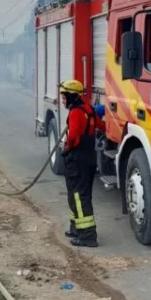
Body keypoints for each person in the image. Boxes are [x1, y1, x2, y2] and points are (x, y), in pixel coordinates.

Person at [58, 79, 101, 248]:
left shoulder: (76, 112)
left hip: (77, 159)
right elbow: (100, 125)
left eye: (64, 97)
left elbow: (74, 136)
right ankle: (76, 228)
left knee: (78, 195)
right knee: (79, 194)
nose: (62, 100)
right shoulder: (89, 109)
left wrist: (66, 149)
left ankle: (88, 236)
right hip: (89, 157)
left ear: (71, 96)